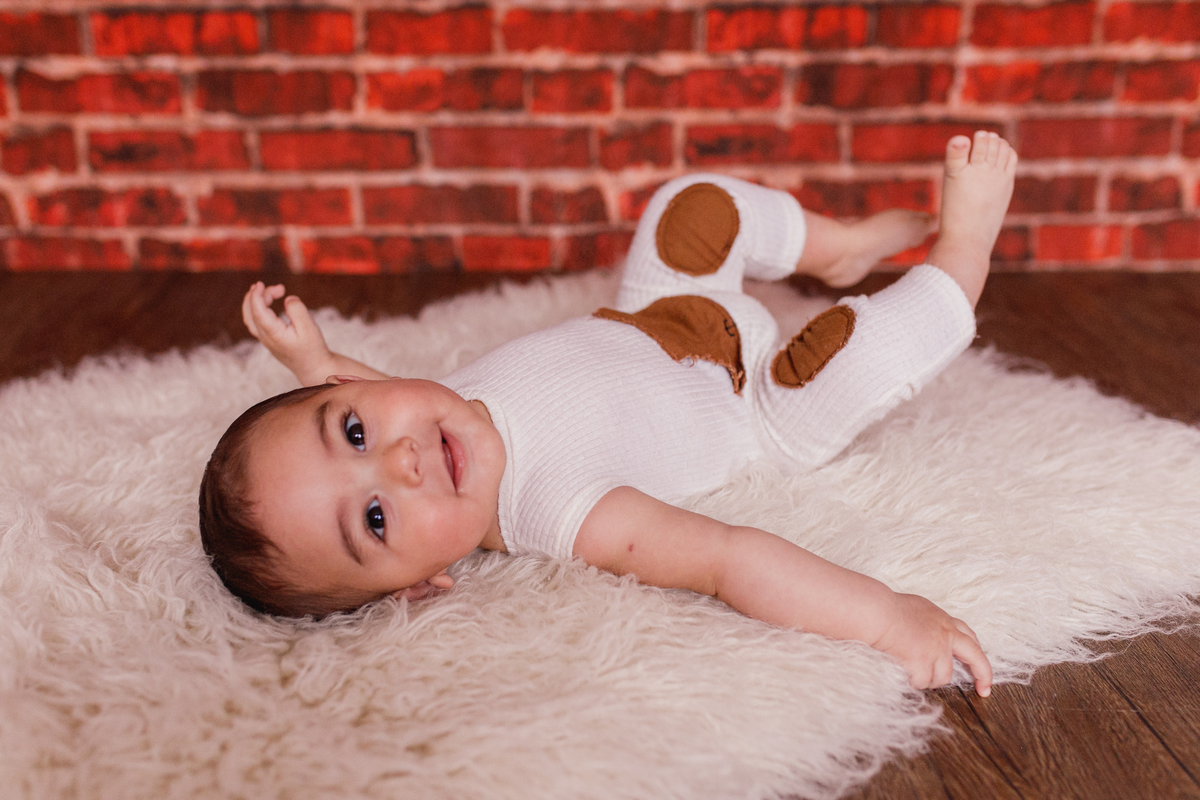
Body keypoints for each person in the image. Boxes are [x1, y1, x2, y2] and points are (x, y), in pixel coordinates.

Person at [200, 131, 1017, 696]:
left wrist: (311, 363)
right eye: (375, 519)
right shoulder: (560, 508)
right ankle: (965, 250)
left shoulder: (436, 412)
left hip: (658, 312)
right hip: (756, 399)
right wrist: (887, 618)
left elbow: (367, 385)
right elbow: (728, 559)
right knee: (868, 353)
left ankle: (835, 244)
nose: (399, 461)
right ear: (421, 585)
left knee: (689, 205)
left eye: (350, 429)